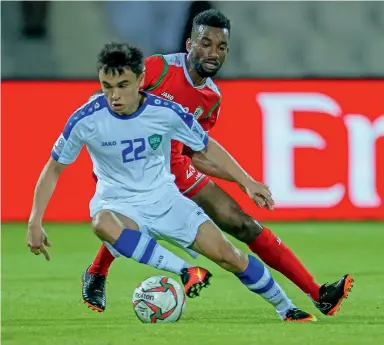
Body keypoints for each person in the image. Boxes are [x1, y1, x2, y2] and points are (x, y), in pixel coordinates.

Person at [82, 10, 354, 316]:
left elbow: (198, 153)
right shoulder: (157, 69)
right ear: (189, 44)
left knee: (242, 223)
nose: (213, 53)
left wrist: (244, 181)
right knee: (130, 220)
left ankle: (318, 294)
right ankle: (97, 272)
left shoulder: (211, 97)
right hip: (136, 169)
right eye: (206, 43)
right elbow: (113, 91)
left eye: (221, 47)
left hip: (179, 170)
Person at [27, 42, 316, 323]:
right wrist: (35, 220)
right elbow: (54, 168)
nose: (114, 95)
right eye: (107, 86)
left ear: (141, 79)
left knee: (230, 256)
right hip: (118, 203)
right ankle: (186, 270)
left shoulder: (165, 112)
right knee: (102, 222)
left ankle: (287, 308)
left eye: (123, 85)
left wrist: (247, 181)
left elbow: (206, 146)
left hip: (166, 201)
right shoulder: (86, 119)